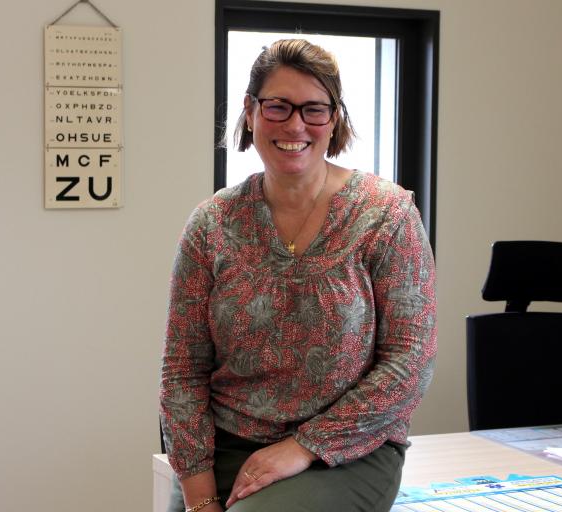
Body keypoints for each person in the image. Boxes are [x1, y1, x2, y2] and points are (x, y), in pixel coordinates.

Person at [159, 38, 437, 512]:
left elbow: (410, 362)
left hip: (346, 452)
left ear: (334, 120)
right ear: (250, 111)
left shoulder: (386, 216)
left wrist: (303, 447)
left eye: (314, 110)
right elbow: (182, 372)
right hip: (226, 449)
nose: (295, 125)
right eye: (278, 107)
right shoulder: (211, 225)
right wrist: (201, 499)